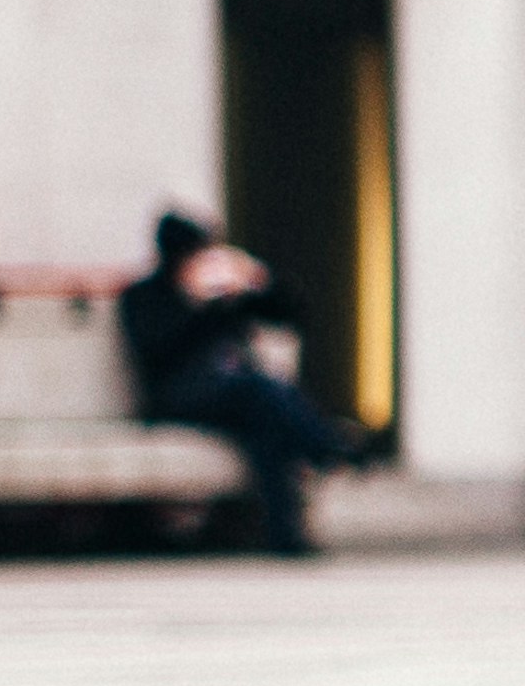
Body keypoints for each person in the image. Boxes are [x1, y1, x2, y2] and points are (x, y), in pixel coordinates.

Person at [121, 209, 368, 556]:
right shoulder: (144, 296)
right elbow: (158, 351)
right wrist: (202, 307)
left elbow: (289, 312)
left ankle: (285, 537)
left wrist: (257, 281)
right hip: (179, 397)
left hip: (234, 399)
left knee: (265, 430)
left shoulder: (225, 296)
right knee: (261, 390)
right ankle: (326, 445)